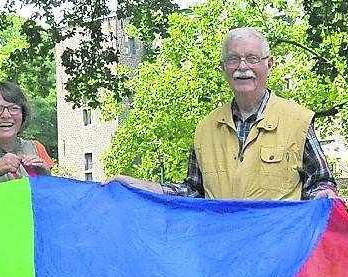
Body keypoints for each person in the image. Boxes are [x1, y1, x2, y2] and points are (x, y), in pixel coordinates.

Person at [115, 27, 335, 200]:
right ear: (223, 68)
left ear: (269, 65)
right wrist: (144, 188)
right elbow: (194, 192)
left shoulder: (298, 122)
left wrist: (323, 196)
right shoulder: (206, 129)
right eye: (233, 59)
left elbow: (320, 183)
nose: (242, 66)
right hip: (222, 254)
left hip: (281, 253)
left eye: (252, 58)